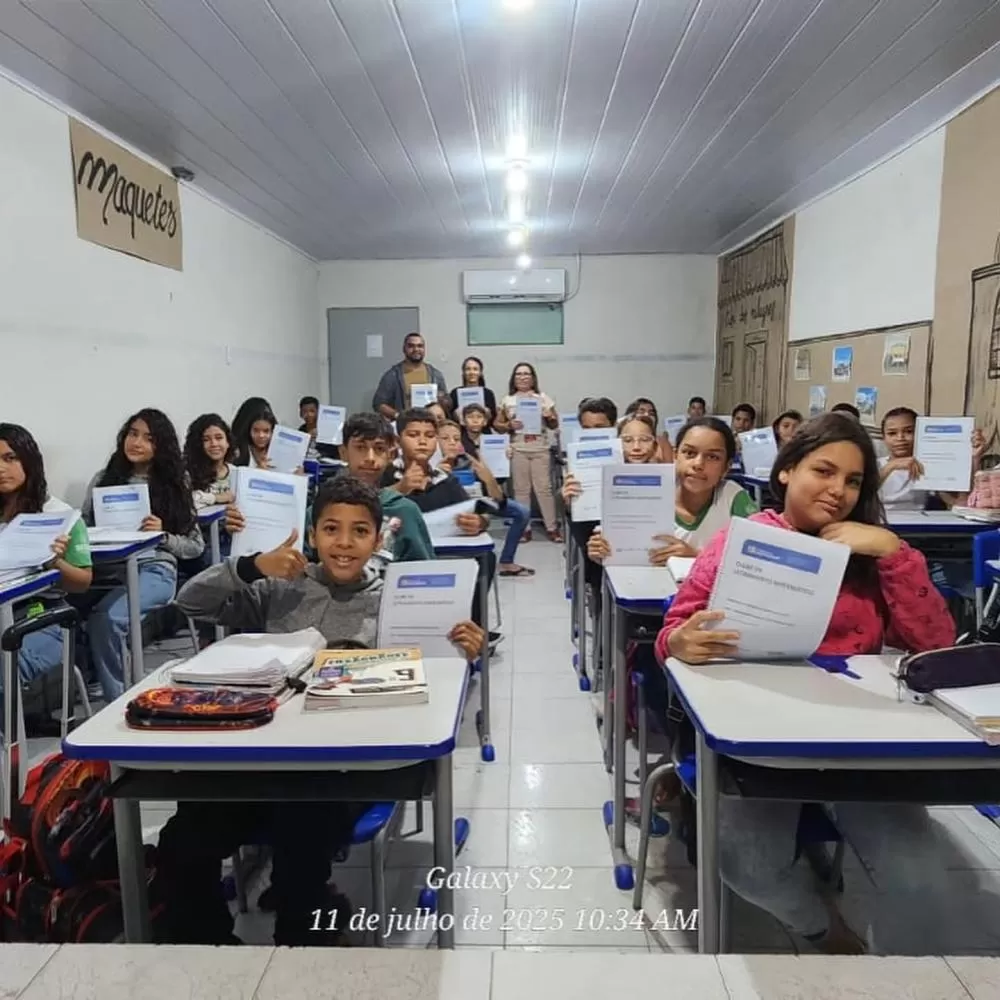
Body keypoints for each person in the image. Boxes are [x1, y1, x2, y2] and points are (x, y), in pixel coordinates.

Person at [657, 413, 955, 953]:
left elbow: (934, 644)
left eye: (854, 481)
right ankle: (824, 929)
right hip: (761, 740)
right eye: (823, 471)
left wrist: (892, 553)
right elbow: (676, 627)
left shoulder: (873, 551)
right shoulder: (740, 543)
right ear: (787, 472)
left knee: (922, 875)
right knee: (749, 868)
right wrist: (678, 642)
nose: (838, 491)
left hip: (858, 737)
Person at [162, 475, 484, 947]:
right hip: (261, 758)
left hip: (347, 766)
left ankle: (302, 945)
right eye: (331, 529)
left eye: (360, 531)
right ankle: (212, 951)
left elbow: (435, 688)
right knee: (184, 838)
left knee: (302, 830)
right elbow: (188, 602)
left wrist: (462, 653)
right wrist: (249, 566)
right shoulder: (281, 587)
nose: (345, 543)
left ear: (379, 538)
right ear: (312, 535)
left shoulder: (397, 596)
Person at [82, 409, 204, 701]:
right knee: (65, 609)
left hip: (155, 569)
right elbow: (83, 528)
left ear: (160, 446)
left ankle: (118, 698)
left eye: (148, 438)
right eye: (132, 434)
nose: (136, 442)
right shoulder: (104, 479)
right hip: (108, 569)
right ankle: (102, 678)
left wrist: (162, 535)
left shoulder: (174, 483)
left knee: (107, 619)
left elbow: (195, 545)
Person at [381, 409, 498, 641]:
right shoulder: (386, 475)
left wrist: (480, 522)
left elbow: (475, 509)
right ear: (398, 440)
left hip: (445, 552)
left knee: (486, 558)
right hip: (403, 555)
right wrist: (401, 488)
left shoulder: (443, 479)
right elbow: (371, 506)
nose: (423, 441)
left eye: (430, 435)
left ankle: (472, 626)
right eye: (413, 434)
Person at [0, 424, 92, 708]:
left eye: (10, 458)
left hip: (41, 616)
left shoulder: (60, 515)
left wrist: (55, 563)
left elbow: (83, 581)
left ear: (29, 460)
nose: (1, 468)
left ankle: (10, 746)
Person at [585, 416, 757, 564]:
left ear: (726, 467)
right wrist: (601, 550)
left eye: (712, 457)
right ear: (675, 456)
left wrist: (697, 557)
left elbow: (758, 561)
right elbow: (618, 553)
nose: (698, 464)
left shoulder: (734, 498)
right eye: (689, 453)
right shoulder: (641, 490)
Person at [438, 421, 533, 578]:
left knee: (522, 511)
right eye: (445, 438)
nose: (452, 443)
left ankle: (506, 561)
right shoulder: (432, 465)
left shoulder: (468, 459)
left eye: (456, 438)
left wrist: (488, 478)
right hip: (455, 513)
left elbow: (498, 498)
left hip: (480, 503)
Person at [338, 412, 434, 562]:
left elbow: (423, 574)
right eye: (360, 447)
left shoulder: (405, 511)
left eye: (379, 449)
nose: (370, 458)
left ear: (390, 455)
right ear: (343, 453)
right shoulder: (323, 508)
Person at [495, 362, 562, 543]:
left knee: (544, 489)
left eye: (526, 374)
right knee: (521, 490)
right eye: (518, 374)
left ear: (532, 378)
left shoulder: (543, 398)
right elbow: (497, 425)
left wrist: (550, 416)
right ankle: (524, 528)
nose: (523, 377)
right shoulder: (507, 400)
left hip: (540, 448)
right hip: (518, 448)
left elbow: (554, 425)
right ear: (513, 378)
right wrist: (509, 425)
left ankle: (552, 527)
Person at [372, 333, 448, 422]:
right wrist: (398, 416)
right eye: (411, 346)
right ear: (404, 349)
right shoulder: (393, 375)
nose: (416, 349)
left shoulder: (435, 375)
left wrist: (443, 401)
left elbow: (446, 402)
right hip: (405, 426)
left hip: (430, 424)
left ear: (424, 349)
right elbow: (378, 404)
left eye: (420, 346)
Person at [183, 414, 235, 509]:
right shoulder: (187, 473)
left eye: (219, 438)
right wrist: (216, 498)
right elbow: (183, 502)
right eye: (206, 440)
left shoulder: (236, 473)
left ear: (228, 442)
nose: (214, 444)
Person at [449, 356, 497, 426]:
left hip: (483, 432)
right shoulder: (454, 393)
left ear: (480, 373)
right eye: (468, 369)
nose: (472, 372)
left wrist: (488, 414)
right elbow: (449, 418)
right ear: (463, 373)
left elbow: (493, 421)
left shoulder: (488, 394)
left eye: (475, 369)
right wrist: (455, 415)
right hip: (462, 432)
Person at [623, 398, 674, 462]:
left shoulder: (662, 441)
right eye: (641, 412)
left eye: (651, 413)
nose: (647, 415)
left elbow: (669, 467)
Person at [230, 398, 273, 465]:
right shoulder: (237, 452)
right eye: (256, 430)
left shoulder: (278, 449)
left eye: (266, 431)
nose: (261, 435)